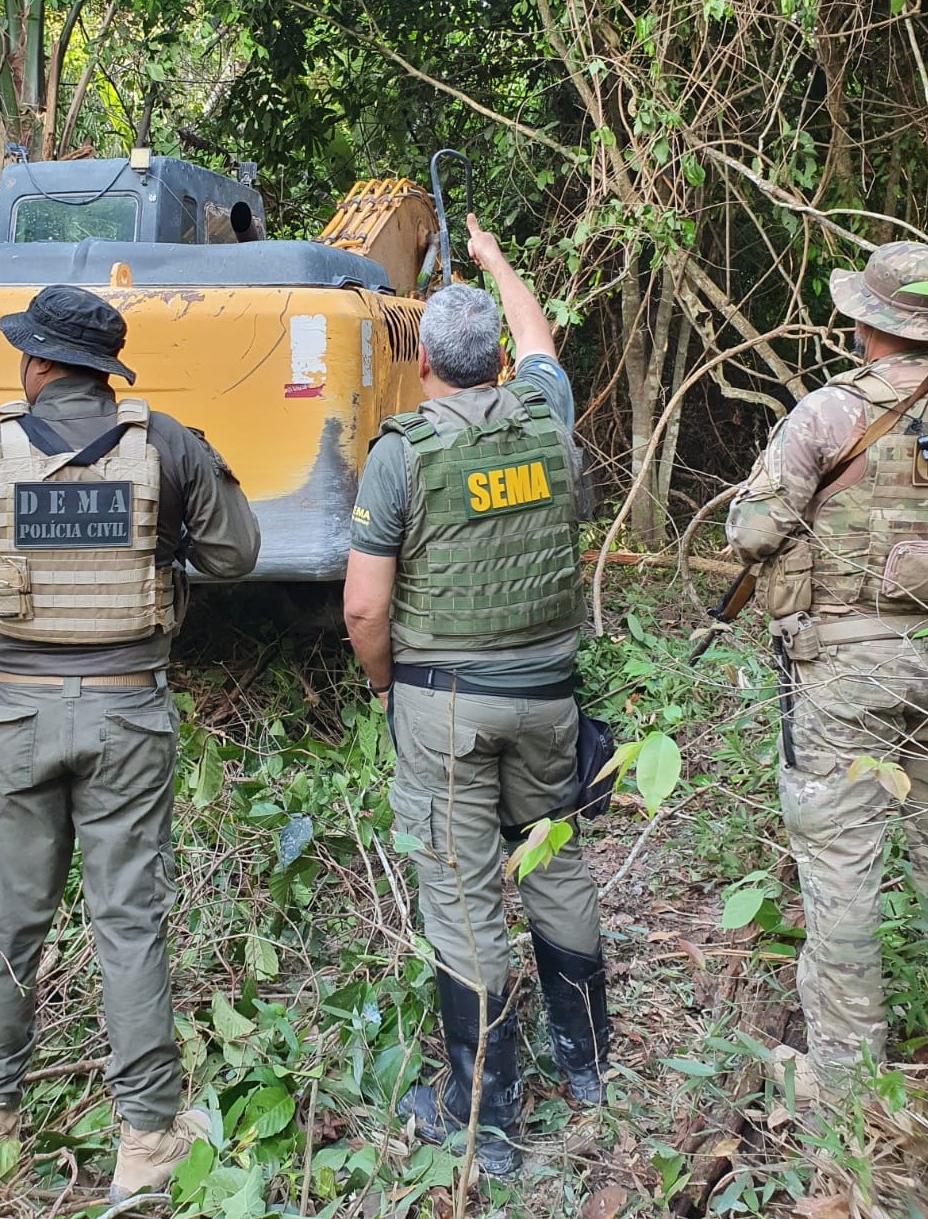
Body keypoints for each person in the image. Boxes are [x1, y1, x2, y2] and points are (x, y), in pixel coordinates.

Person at [0, 285, 260, 1202]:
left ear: (36, 365)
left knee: (11, 917)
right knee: (127, 922)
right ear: (103, 369)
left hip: (15, 720)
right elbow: (237, 554)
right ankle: (145, 1137)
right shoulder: (166, 445)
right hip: (129, 715)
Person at [343, 215, 607, 1176]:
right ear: (494, 358)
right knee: (555, 862)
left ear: (424, 370)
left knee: (461, 895)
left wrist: (387, 690)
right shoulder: (544, 412)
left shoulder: (403, 452)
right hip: (549, 697)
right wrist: (497, 260)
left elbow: (365, 608)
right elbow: (541, 342)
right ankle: (586, 1064)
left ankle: (483, 1114)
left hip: (446, 704)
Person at [726, 242, 928, 1091]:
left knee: (843, 875)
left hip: (843, 673)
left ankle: (843, 1080)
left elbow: (754, 532)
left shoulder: (829, 415)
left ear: (870, 323)